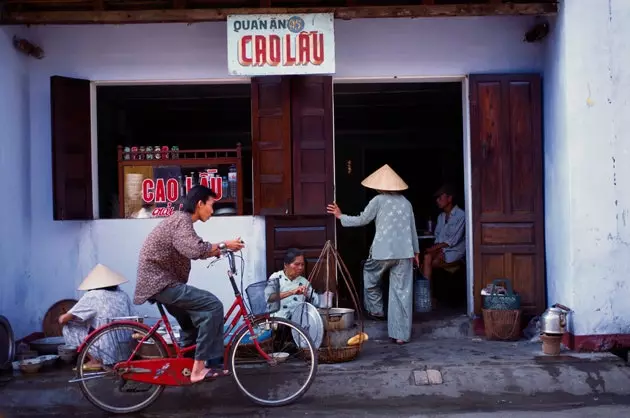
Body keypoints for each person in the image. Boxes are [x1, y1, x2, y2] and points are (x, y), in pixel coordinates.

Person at [133, 185, 245, 384]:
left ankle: (186, 366)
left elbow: (195, 248)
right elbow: (195, 250)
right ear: (200, 204)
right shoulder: (181, 221)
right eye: (211, 205)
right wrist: (224, 244)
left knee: (191, 322)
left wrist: (220, 250)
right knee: (213, 306)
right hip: (160, 283)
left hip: (162, 282)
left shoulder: (181, 222)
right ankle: (200, 368)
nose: (213, 210)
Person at [327, 164, 419, 345]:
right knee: (401, 293)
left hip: (382, 252)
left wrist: (340, 216)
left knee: (370, 274)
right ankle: (401, 335)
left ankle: (376, 309)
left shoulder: (378, 200)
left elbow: (362, 219)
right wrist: (416, 251)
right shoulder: (406, 203)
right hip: (404, 252)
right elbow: (412, 229)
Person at [59, 264, 134, 371]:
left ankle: (95, 360)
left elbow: (63, 319)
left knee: (68, 328)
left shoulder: (93, 295)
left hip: (106, 348)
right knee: (96, 325)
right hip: (126, 349)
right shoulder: (123, 295)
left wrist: (62, 316)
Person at [423, 185, 466, 280]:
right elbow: (438, 237)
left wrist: (434, 249)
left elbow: (452, 241)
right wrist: (437, 250)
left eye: (440, 198)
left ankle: (428, 292)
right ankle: (428, 294)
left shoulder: (461, 215)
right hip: (441, 249)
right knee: (426, 258)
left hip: (454, 251)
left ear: (449, 198)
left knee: (431, 262)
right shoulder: (441, 217)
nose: (437, 200)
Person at [265, 248, 321, 320]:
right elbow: (269, 298)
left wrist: (310, 294)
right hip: (278, 322)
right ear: (286, 265)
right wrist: (292, 292)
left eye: (302, 264)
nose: (300, 268)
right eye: (297, 264)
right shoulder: (276, 277)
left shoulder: (304, 282)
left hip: (297, 323)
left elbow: (316, 302)